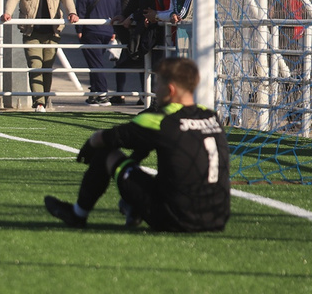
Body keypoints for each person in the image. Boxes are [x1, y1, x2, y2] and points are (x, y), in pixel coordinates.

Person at [44, 57, 230, 232]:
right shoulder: (211, 116)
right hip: (218, 217)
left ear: (170, 90)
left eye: (158, 85)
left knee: (106, 154)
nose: (156, 90)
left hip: (175, 218)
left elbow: (107, 138)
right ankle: (134, 208)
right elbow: (144, 147)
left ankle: (77, 214)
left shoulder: (160, 120)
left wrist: (91, 144)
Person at [0, 0, 78, 112]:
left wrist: (72, 12)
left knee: (47, 67)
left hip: (53, 31)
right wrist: (7, 12)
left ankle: (44, 100)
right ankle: (39, 103)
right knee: (36, 65)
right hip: (31, 31)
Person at [75, 0, 121, 107]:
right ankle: (94, 93)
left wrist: (79, 30)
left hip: (92, 31)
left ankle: (101, 94)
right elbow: (118, 11)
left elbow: (80, 10)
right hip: (108, 31)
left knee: (96, 64)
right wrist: (114, 31)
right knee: (96, 62)